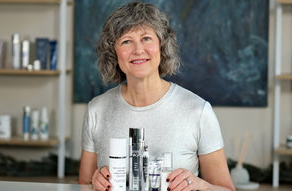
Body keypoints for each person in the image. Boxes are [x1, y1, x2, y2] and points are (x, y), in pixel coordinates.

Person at [78, 1, 235, 191]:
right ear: (114, 53)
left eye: (146, 38)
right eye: (126, 41)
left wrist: (199, 184)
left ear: (162, 46)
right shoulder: (97, 110)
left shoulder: (198, 111)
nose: (138, 50)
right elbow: (83, 186)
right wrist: (94, 182)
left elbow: (226, 189)